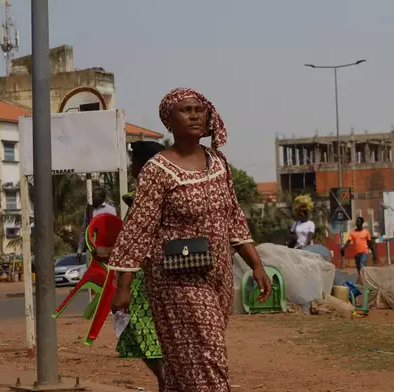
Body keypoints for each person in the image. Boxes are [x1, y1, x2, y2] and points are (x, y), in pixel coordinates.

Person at [108, 88, 272, 392]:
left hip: (217, 274)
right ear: (169, 121)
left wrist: (256, 265)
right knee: (209, 353)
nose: (195, 115)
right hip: (175, 277)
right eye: (186, 110)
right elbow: (138, 228)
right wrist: (124, 286)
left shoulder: (219, 163)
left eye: (199, 109)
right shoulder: (157, 170)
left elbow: (233, 216)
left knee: (190, 358)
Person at [115, 141, 165, 390]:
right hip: (147, 279)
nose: (131, 165)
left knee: (148, 338)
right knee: (146, 340)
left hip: (145, 283)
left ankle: (168, 384)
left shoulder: (146, 199)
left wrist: (122, 287)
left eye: (135, 160)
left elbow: (134, 243)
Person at [77, 187, 116, 263]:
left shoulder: (110, 210)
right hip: (90, 248)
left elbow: (113, 228)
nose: (91, 198)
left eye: (93, 196)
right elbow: (84, 230)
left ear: (102, 197)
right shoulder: (89, 210)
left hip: (104, 248)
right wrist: (79, 250)